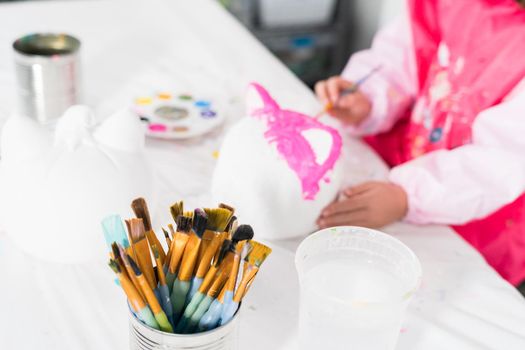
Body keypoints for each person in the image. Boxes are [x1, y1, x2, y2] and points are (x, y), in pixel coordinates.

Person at [315, 0, 525, 289]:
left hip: (475, 218)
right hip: (402, 167)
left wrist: (408, 197)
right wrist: (366, 99)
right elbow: (401, 58)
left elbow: (500, 161)